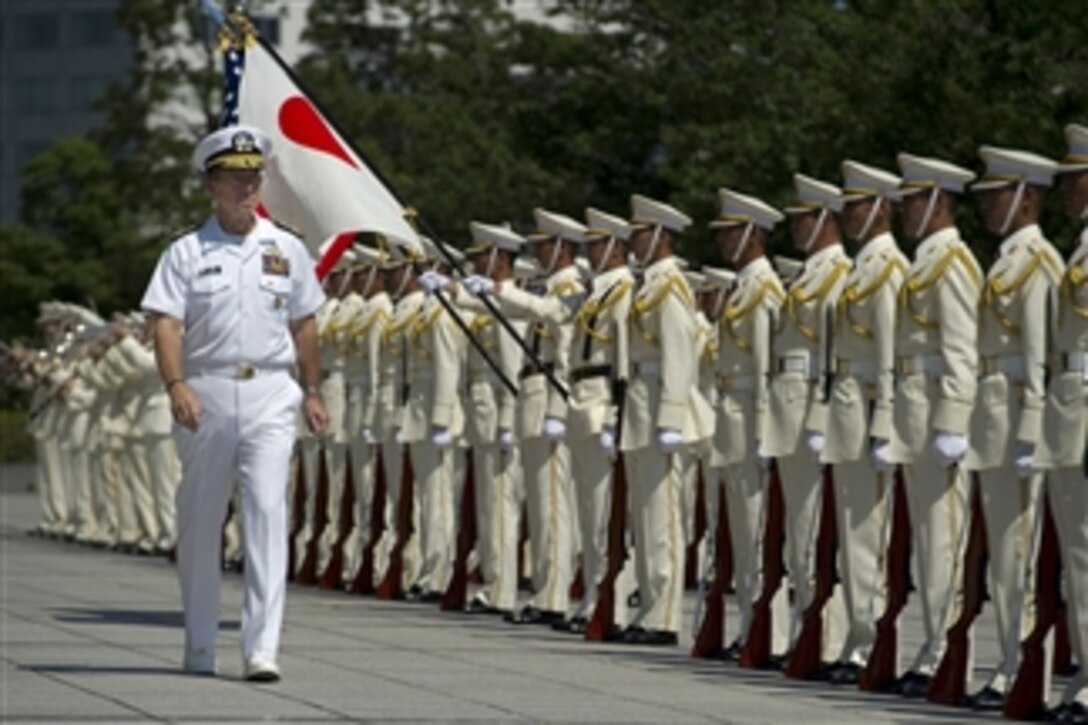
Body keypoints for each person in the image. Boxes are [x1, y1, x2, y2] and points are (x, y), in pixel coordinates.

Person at [141, 125, 328, 681]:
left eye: (254, 177)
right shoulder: (186, 251)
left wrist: (313, 390)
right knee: (200, 520)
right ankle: (200, 643)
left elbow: (305, 323)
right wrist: (176, 385)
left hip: (272, 391)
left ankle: (260, 648)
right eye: (236, 179)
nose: (248, 188)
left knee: (268, 513)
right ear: (211, 187)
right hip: (208, 391)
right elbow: (167, 325)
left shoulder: (286, 247)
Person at [962, 145, 1065, 711]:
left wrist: (1032, 429)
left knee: (1023, 556)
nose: (986, 206)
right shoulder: (1005, 260)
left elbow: (1041, 355)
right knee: (1002, 556)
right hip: (991, 418)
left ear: (1027, 199)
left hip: (1020, 422)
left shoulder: (1039, 261)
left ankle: (1026, 668)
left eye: (996, 195)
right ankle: (1005, 664)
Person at [885, 152, 981, 698]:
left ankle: (949, 652)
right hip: (914, 413)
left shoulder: (954, 264)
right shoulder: (925, 263)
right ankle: (932, 649)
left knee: (944, 540)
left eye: (913, 201)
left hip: (937, 416)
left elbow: (961, 349)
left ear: (939, 202)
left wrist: (954, 420)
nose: (904, 211)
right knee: (926, 543)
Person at [820, 161, 909, 684]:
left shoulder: (889, 268)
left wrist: (886, 420)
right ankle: (859, 640)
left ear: (881, 208)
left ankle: (876, 642)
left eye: (857, 206)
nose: (849, 216)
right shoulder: (861, 268)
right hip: (848, 407)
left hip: (872, 410)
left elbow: (892, 353)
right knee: (855, 533)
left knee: (873, 534)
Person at [763, 174, 850, 668]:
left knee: (821, 531)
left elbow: (833, 354)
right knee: (800, 531)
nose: (796, 228)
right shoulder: (811, 275)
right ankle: (808, 633)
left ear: (826, 220)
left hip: (810, 409)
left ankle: (832, 642)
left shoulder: (838, 274)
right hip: (787, 408)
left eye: (803, 219)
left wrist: (821, 415)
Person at [619, 194, 713, 645]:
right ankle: (649, 607)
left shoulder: (671, 285)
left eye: (639, 231)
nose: (632, 239)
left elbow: (679, 352)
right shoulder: (648, 284)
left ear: (659, 236)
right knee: (645, 517)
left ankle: (665, 615)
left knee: (664, 520)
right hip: (641, 402)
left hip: (659, 404)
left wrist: (672, 416)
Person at [708, 188, 789, 659]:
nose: (724, 242)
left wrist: (764, 430)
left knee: (760, 533)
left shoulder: (764, 290)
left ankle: (771, 634)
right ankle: (750, 628)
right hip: (730, 418)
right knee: (741, 530)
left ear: (754, 234)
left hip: (750, 418)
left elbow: (764, 367)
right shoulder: (743, 286)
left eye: (732, 232)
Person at [1036, 124, 1088, 723]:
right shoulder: (1077, 246)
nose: (1069, 190)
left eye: (1076, 179)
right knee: (1076, 555)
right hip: (1069, 409)